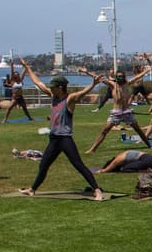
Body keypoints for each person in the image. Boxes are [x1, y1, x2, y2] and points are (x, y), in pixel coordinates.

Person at [16, 57, 105, 200]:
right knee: (43, 165)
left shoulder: (69, 99)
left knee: (78, 165)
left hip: (65, 139)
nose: (50, 88)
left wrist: (93, 84)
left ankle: (97, 190)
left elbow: (82, 93)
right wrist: (27, 67)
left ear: (60, 87)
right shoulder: (53, 96)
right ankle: (32, 189)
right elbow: (37, 82)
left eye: (53, 86)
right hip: (54, 139)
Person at [85, 66, 152, 153]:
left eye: (121, 76)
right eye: (118, 77)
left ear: (124, 77)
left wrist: (145, 71)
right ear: (116, 78)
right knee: (104, 131)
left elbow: (137, 77)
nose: (119, 78)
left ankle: (149, 146)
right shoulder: (113, 85)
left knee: (138, 130)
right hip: (116, 113)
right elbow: (98, 78)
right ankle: (92, 149)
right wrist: (86, 72)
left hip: (127, 112)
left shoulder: (127, 83)